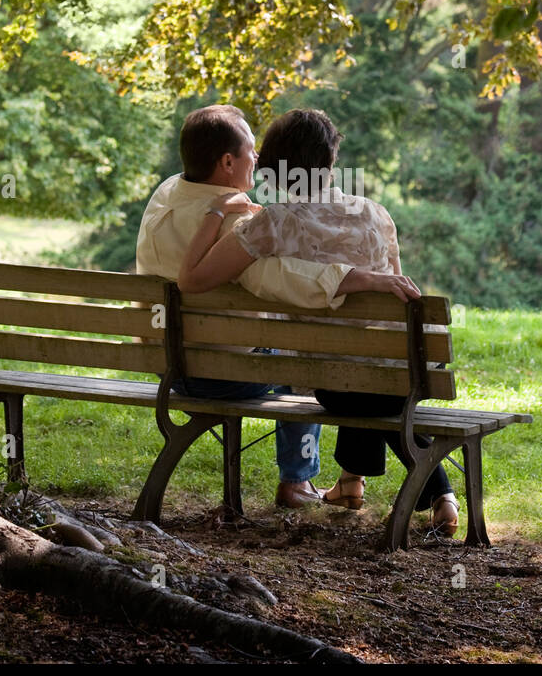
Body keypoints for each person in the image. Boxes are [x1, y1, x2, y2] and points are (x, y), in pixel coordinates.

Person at [176, 108, 459, 537]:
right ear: (329, 163)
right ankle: (429, 491)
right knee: (369, 371)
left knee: (350, 374)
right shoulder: (376, 214)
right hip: (395, 371)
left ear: (276, 165)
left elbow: (192, 279)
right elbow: (400, 298)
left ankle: (363, 484)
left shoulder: (270, 223)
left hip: (328, 379)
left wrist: (217, 212)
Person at [135, 104, 402, 509]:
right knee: (291, 341)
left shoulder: (166, 193)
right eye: (249, 151)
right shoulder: (233, 225)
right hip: (219, 374)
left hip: (165, 364)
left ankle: (345, 479)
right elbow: (282, 283)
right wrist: (353, 277)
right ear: (227, 161)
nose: (257, 159)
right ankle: (296, 481)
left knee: (281, 339)